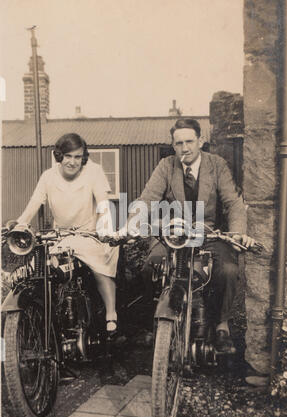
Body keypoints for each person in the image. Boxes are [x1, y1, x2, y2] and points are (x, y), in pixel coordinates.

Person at [126, 118, 265, 382]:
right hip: (174, 234)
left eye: (189, 141)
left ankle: (221, 323)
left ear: (201, 141)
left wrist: (236, 233)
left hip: (208, 233)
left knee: (227, 269)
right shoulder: (166, 166)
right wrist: (131, 224)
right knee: (151, 266)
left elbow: (233, 203)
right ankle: (158, 322)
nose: (184, 148)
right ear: (173, 145)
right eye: (178, 143)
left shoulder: (216, 165)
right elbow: (146, 199)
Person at [14, 133, 119, 337]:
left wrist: (105, 228)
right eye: (68, 156)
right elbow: (34, 203)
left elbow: (104, 203)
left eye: (78, 157)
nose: (73, 162)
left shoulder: (94, 172)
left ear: (83, 158)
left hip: (89, 233)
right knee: (44, 270)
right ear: (59, 156)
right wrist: (20, 224)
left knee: (100, 268)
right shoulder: (48, 176)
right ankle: (45, 321)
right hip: (60, 235)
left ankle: (111, 313)